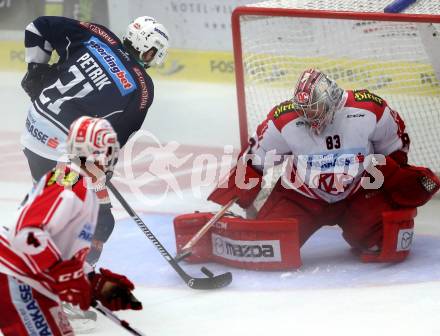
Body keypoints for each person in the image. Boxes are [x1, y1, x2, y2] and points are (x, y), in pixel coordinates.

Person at [205, 68, 439, 267]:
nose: (309, 116)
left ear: (332, 99)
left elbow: (394, 146)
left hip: (357, 192)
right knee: (269, 246)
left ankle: (367, 225)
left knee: (387, 243)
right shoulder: (284, 120)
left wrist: (395, 179)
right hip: (301, 195)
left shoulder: (369, 109)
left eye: (314, 109)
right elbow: (255, 160)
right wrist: (237, 191)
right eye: (304, 110)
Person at [20, 15, 169, 267]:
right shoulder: (142, 86)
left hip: (33, 129)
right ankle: (74, 278)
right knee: (100, 220)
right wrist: (103, 171)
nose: (153, 58)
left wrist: (35, 70)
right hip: (59, 150)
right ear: (146, 46)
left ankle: (19, 252)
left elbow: (37, 26)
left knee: (44, 197)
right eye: (154, 51)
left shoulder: (98, 34)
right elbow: (115, 138)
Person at [0, 116, 142, 336]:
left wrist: (94, 282)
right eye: (108, 146)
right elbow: (26, 235)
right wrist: (63, 275)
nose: (113, 153)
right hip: (14, 275)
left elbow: (69, 248)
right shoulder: (69, 185)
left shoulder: (86, 180)